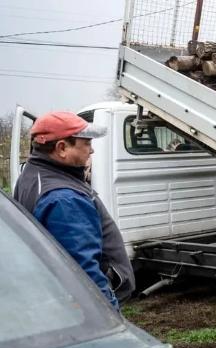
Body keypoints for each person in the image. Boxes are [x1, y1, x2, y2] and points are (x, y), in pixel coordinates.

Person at [14, 111, 135, 310]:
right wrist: (111, 320)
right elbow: (85, 273)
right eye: (86, 143)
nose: (92, 150)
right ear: (62, 148)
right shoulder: (64, 199)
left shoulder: (32, 173)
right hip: (90, 310)